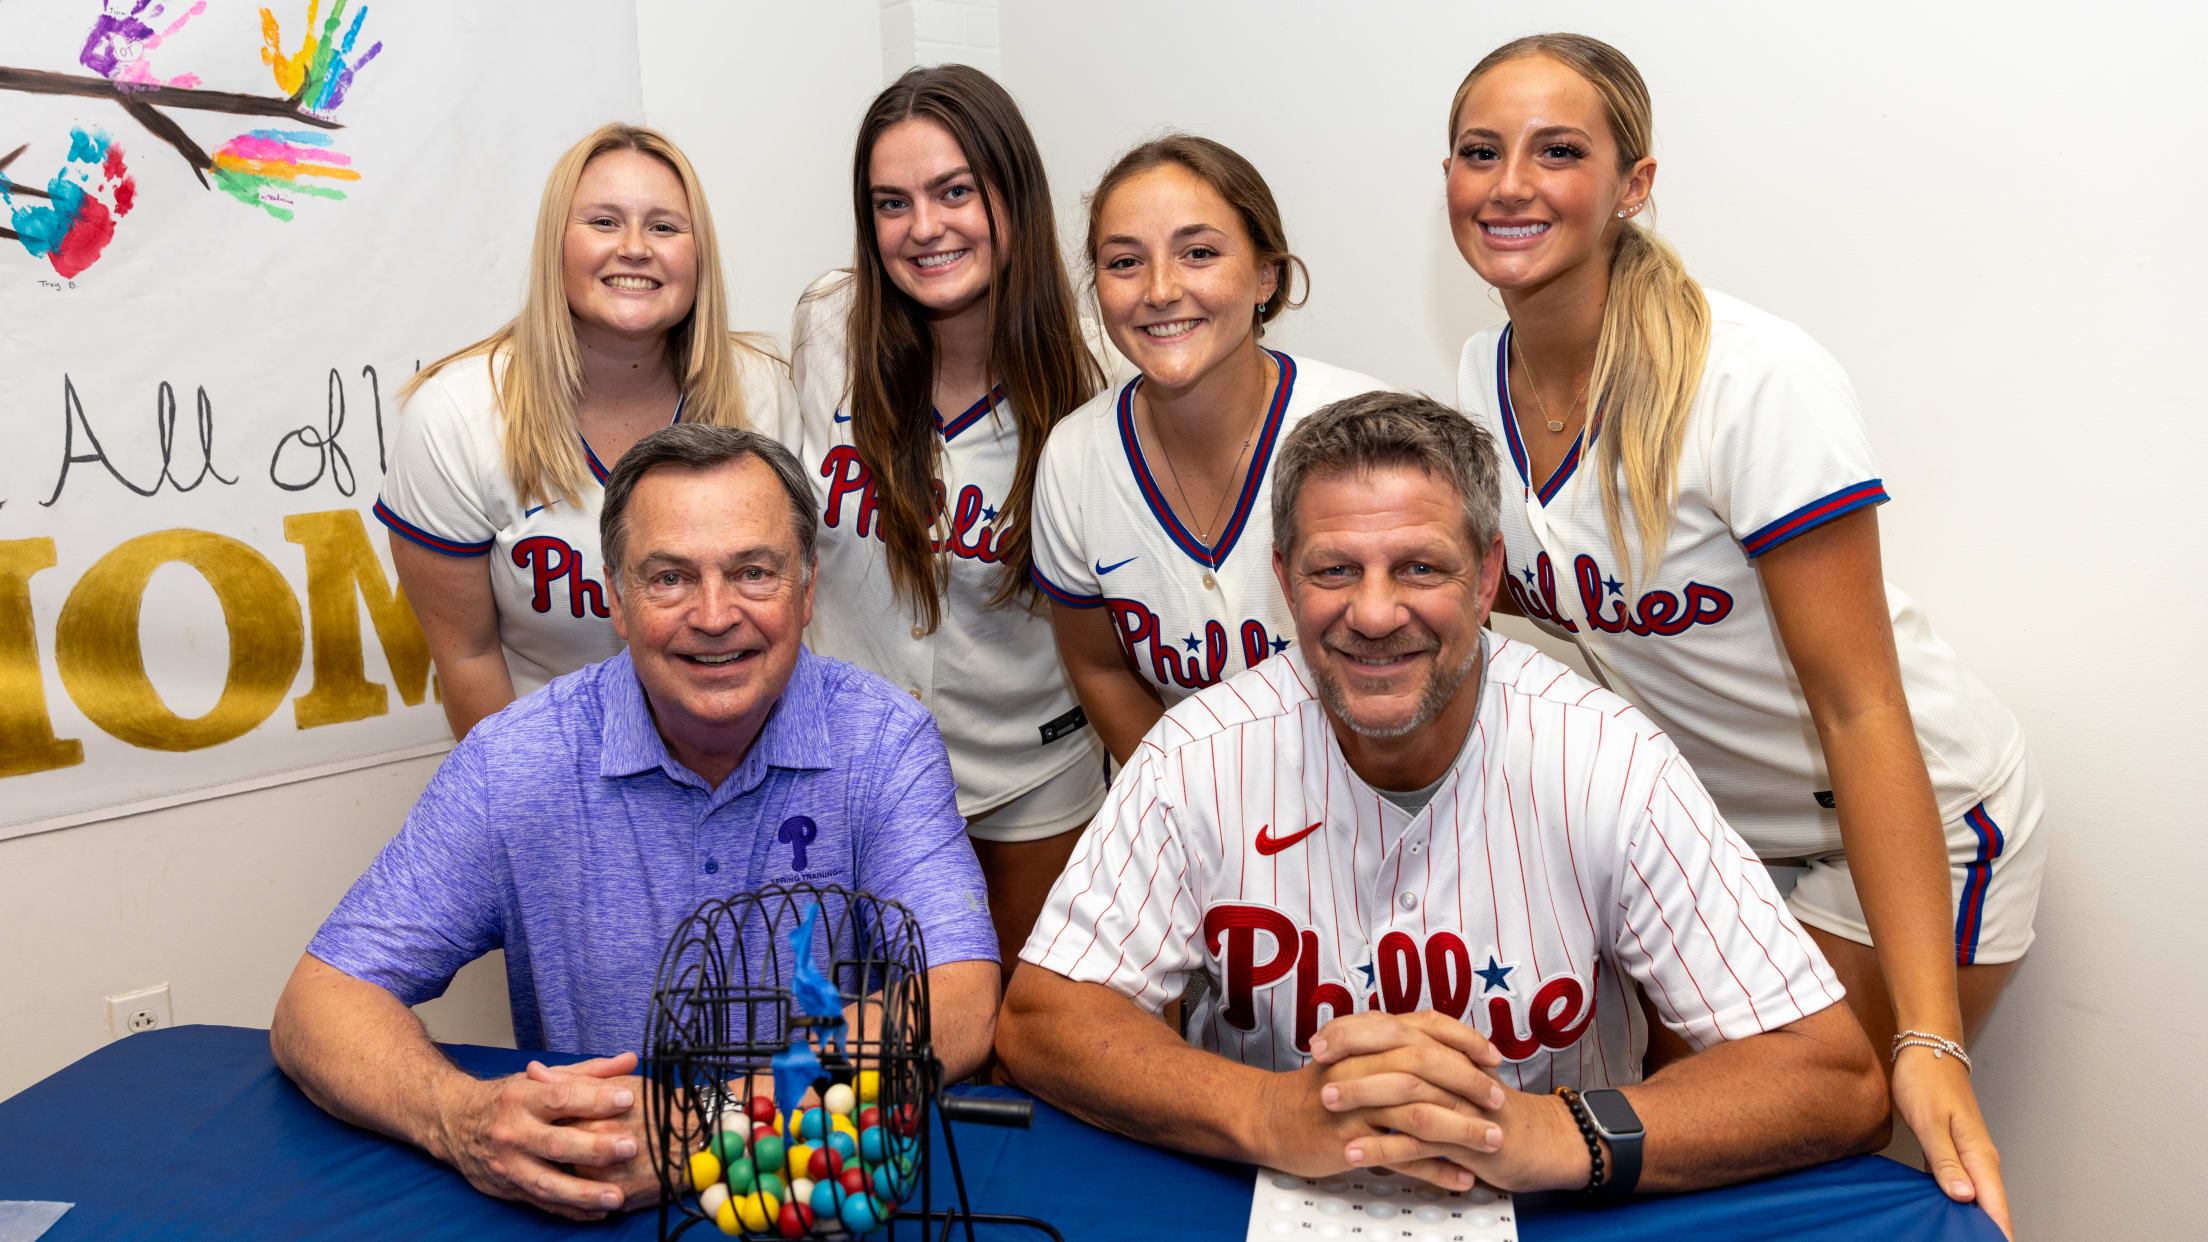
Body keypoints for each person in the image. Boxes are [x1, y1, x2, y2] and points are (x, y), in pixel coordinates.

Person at [1442, 33, 2037, 1234]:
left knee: (1818, 1150)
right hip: (1721, 841)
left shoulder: (1752, 380)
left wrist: (1931, 1036)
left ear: (1635, 184)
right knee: (1678, 1144)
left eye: (1559, 151)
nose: (1511, 183)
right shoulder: (1474, 379)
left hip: (1909, 820)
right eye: (1478, 151)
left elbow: (1859, 710)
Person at [999, 393, 1887, 1196]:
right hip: (1269, 1194)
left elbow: (1834, 1078)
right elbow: (1045, 1018)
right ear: (1283, 579)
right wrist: (1269, 1113)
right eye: (1333, 570)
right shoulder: (1195, 753)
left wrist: (1546, 1130)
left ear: (1488, 575)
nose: (1375, 613)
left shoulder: (1611, 759)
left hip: (1553, 1205)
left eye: (1420, 568)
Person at [273, 426, 998, 1220]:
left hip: (821, 1193)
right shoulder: (514, 760)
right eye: (670, 579)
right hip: (588, 1199)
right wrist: (461, 1118)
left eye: (753, 572)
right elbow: (319, 1001)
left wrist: (714, 1127)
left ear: (807, 588)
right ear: (615, 598)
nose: (715, 615)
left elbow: (959, 1001)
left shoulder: (885, 742)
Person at [790, 66, 1110, 974]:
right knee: (862, 1057)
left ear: (1014, 191)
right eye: (892, 203)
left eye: (955, 191)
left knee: (1029, 1048)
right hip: (852, 770)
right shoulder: (827, 323)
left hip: (1031, 775)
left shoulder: (1097, 363)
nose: (924, 227)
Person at [375, 123, 799, 740]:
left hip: (745, 763)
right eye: (603, 222)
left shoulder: (762, 390)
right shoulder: (452, 416)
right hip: (558, 780)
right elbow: (467, 658)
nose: (634, 248)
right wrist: (531, 817)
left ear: (698, 252)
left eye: (664, 226)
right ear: (556, 245)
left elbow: (793, 615)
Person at [1032, 135, 1389, 764]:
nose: (1161, 290)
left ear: (1265, 275)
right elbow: (1103, 671)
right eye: (1124, 262)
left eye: (1198, 253)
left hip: (1376, 801)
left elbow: (1444, 661)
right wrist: (1192, 815)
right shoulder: (1073, 457)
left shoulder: (1371, 432)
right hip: (1190, 818)